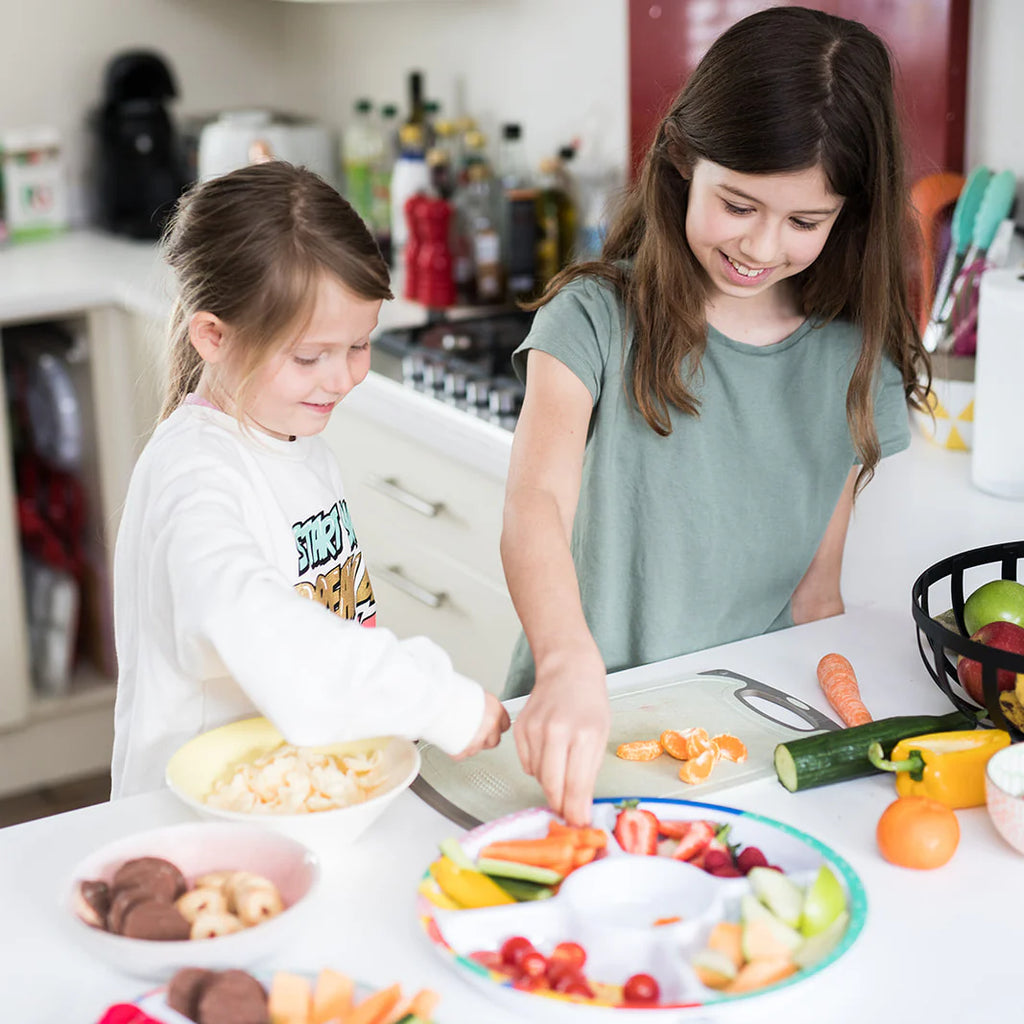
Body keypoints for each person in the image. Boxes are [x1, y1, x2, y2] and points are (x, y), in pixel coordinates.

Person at [500, 6, 931, 825]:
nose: (763, 247)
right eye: (738, 204)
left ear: (849, 217)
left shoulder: (851, 360)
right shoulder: (592, 319)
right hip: (588, 719)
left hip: (746, 738)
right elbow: (535, 508)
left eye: (805, 221)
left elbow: (814, 597)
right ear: (681, 161)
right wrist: (563, 662)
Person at [110, 161, 509, 798]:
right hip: (195, 821)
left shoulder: (291, 438)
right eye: (308, 356)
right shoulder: (194, 475)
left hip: (288, 797)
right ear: (213, 335)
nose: (344, 377)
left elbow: (328, 624)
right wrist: (434, 699)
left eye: (359, 344)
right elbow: (254, 619)